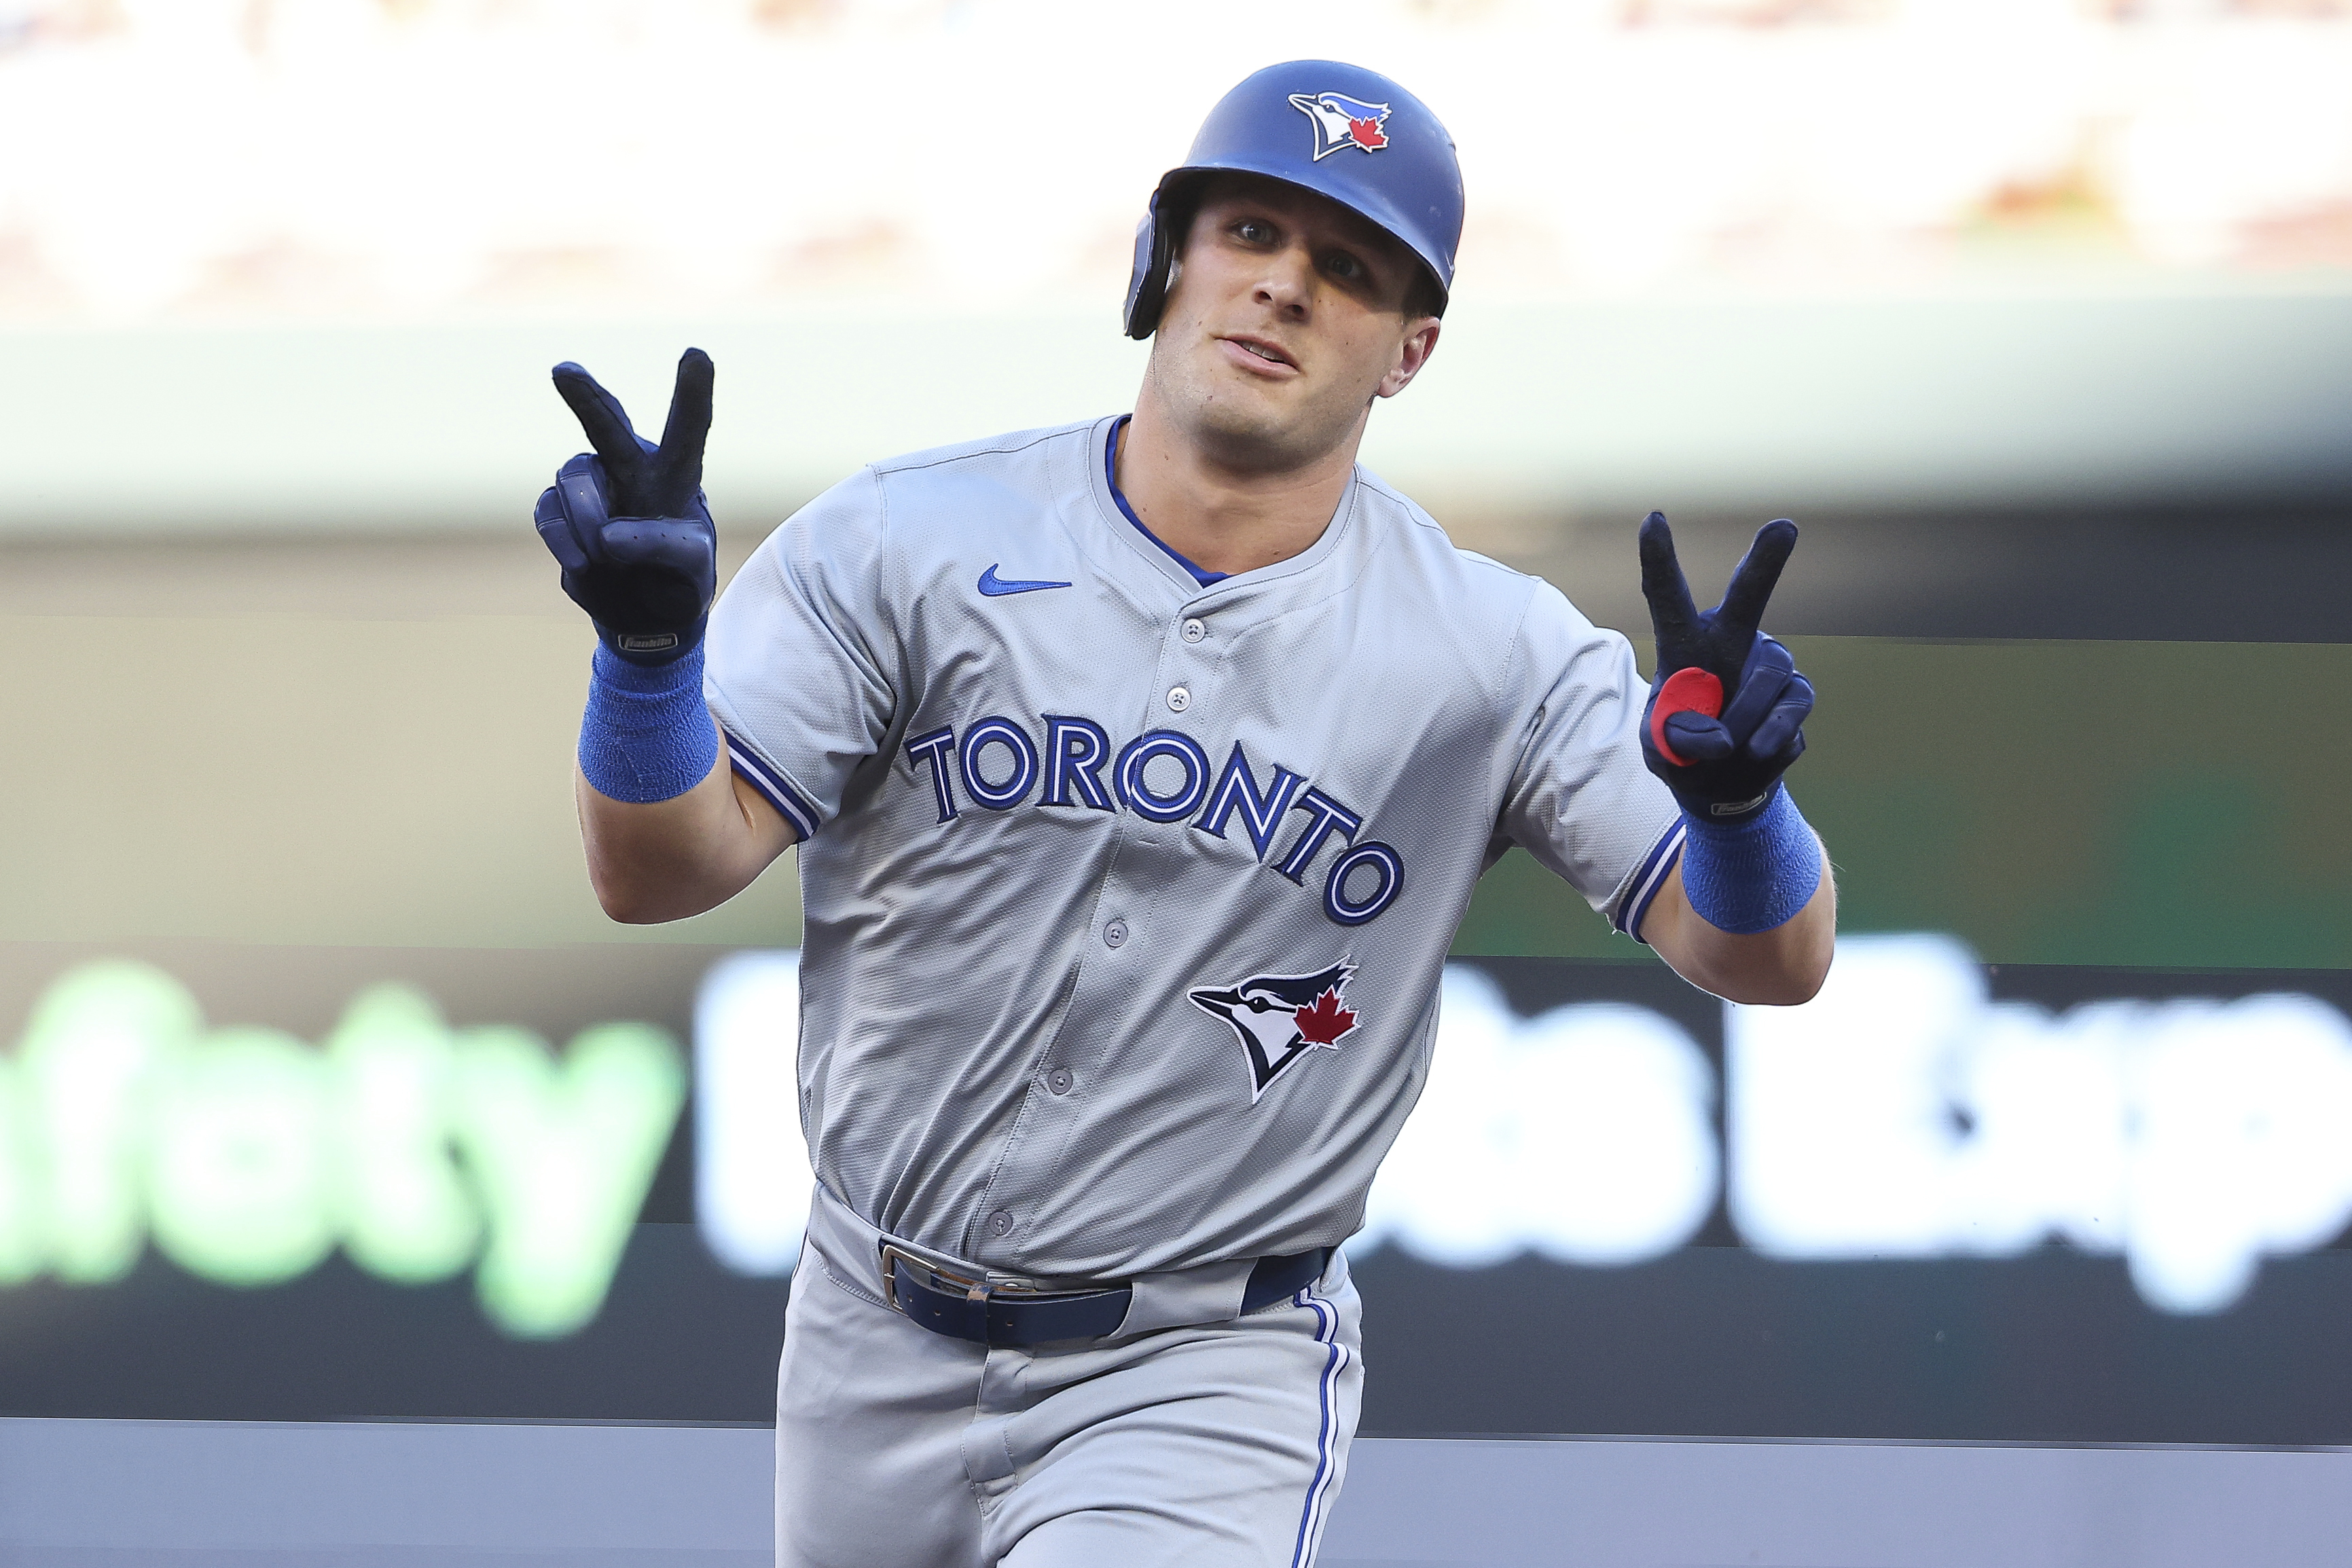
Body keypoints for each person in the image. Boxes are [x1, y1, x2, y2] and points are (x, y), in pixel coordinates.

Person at [532, 58, 1833, 1568]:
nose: (1284, 288)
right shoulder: (907, 540)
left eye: (1347, 269)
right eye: (1251, 236)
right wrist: (646, 668)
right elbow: (658, 873)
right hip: (867, 1326)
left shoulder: (1493, 649)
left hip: (1200, 1365)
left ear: (1409, 351)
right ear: (1165, 262)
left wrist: (1737, 812)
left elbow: (1767, 958)